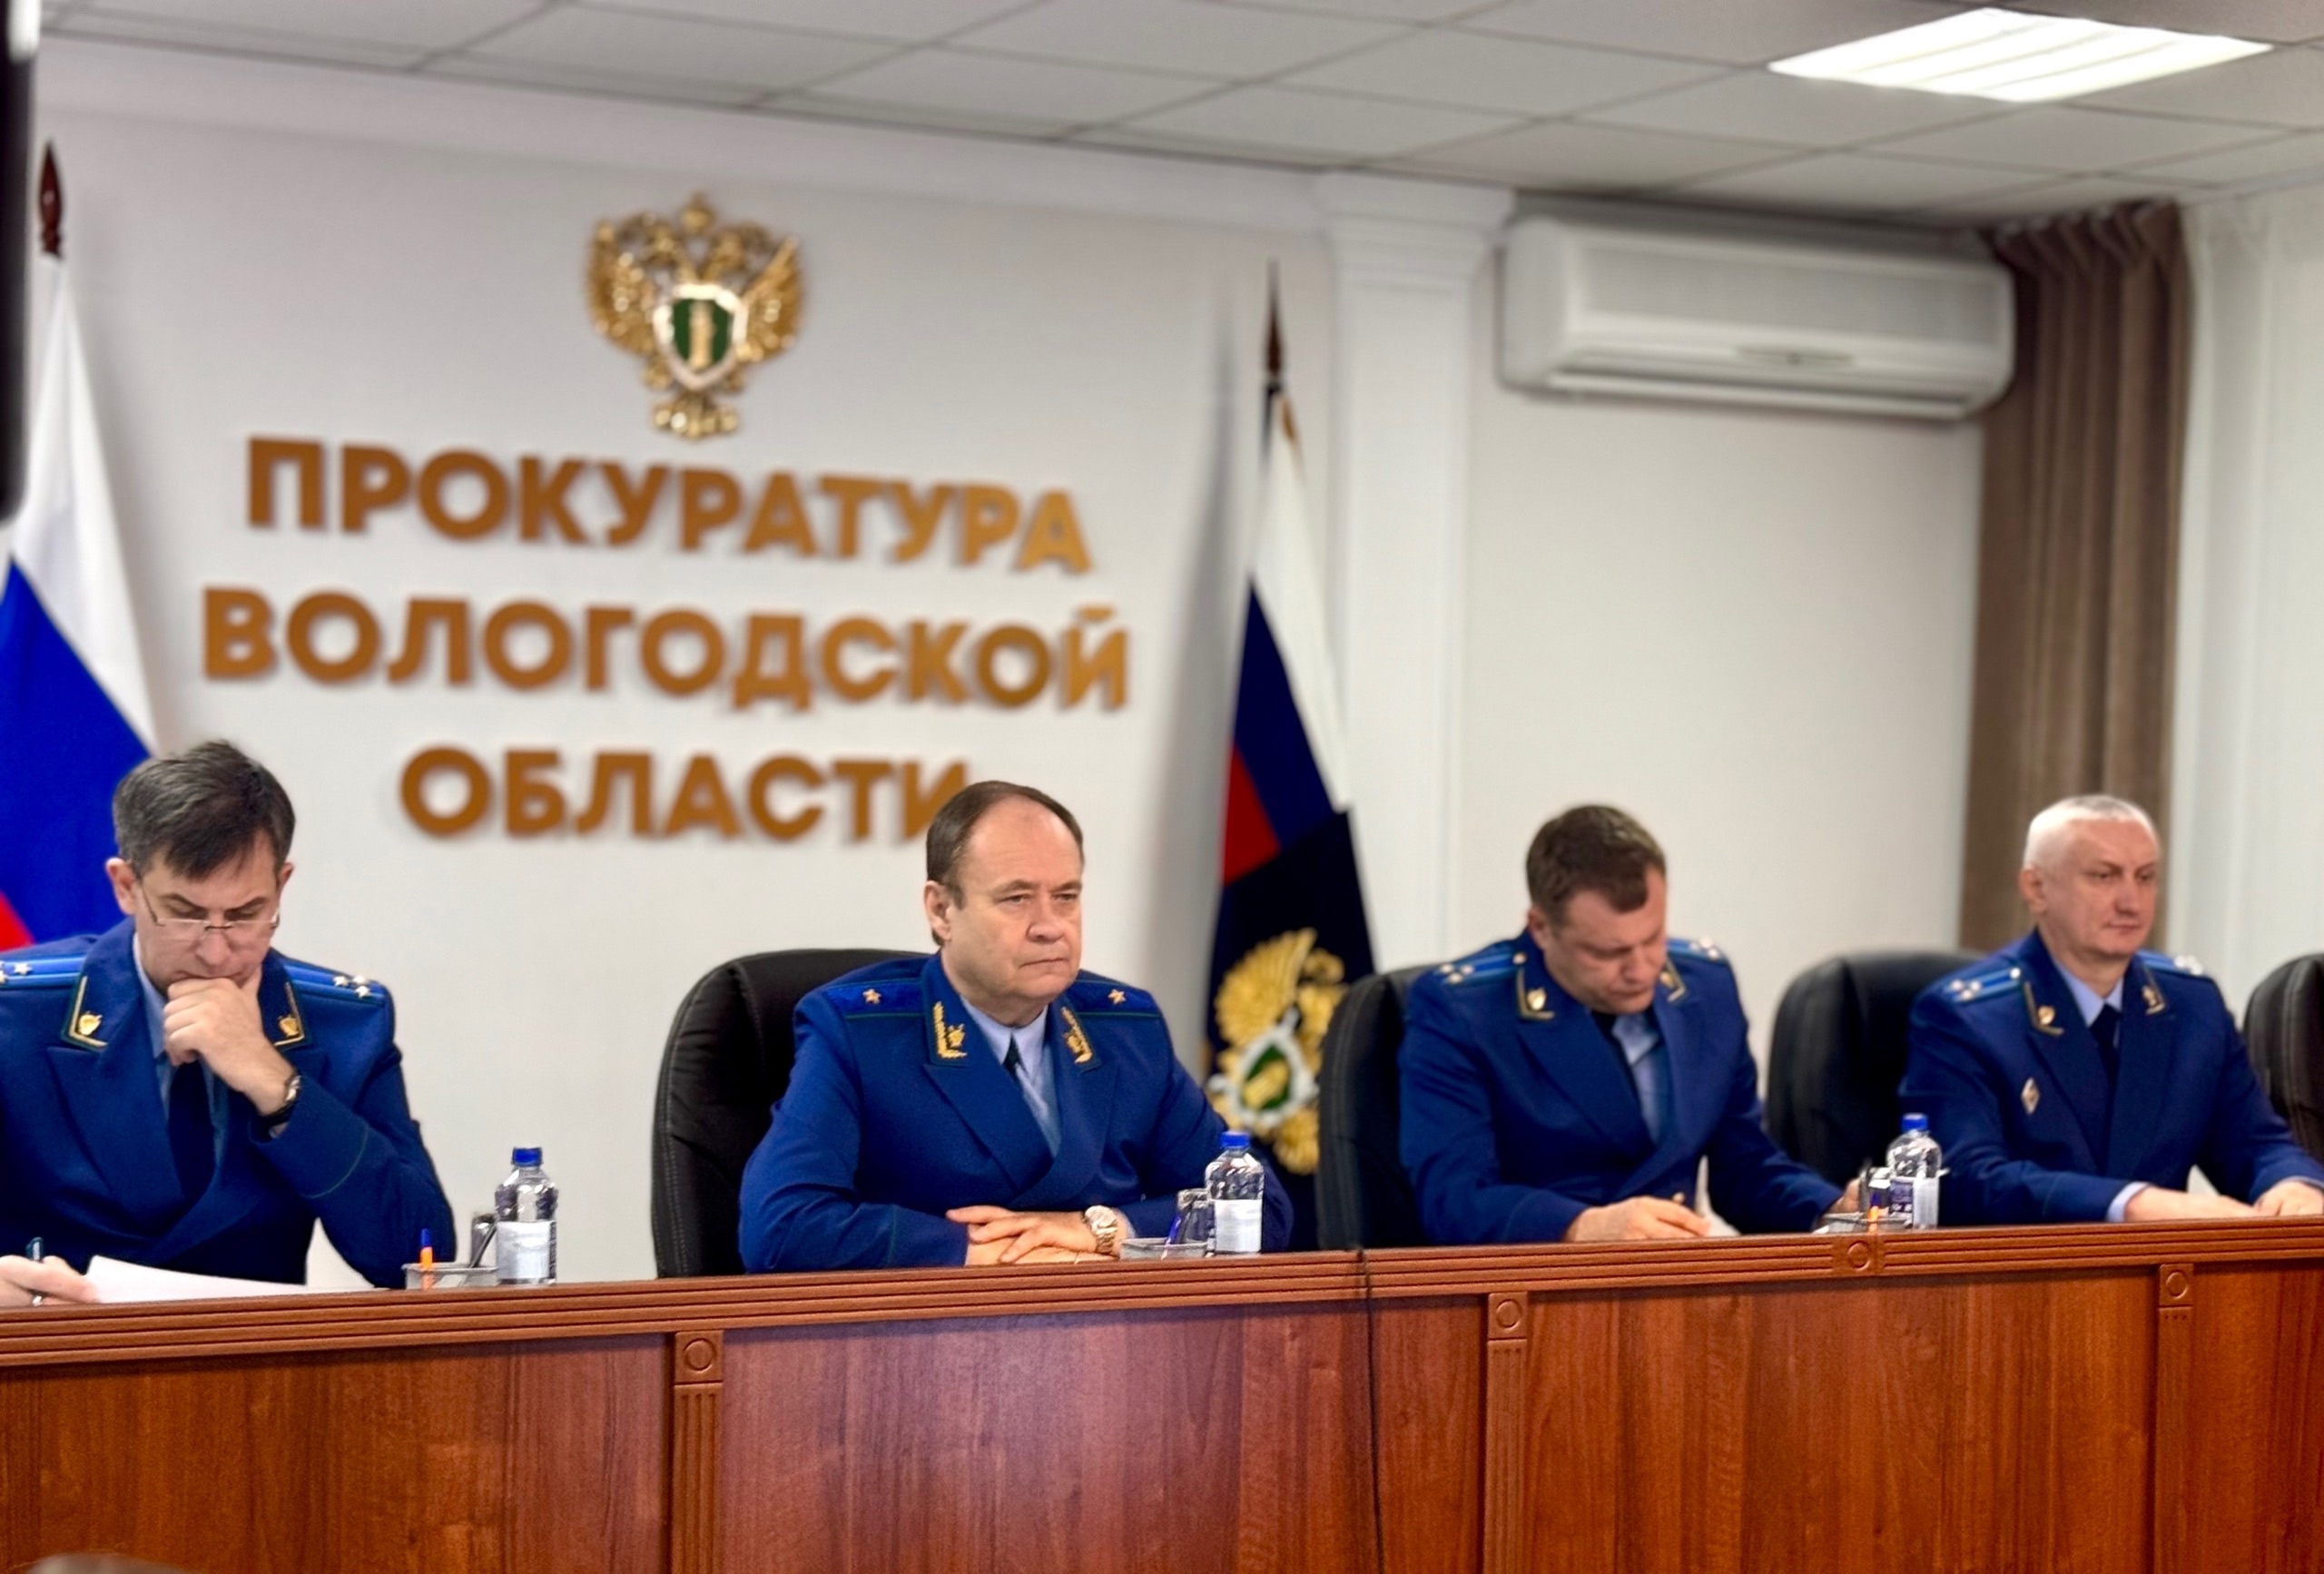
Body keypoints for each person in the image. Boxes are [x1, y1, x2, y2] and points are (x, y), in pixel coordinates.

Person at [740, 780, 1291, 1270]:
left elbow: (1259, 1209)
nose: (1049, 926)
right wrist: (977, 1251)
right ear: (941, 910)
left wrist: (1099, 1230)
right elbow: (781, 1227)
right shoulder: (859, 1033)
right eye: (1017, 898)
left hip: (1110, 1333)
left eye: (1066, 897)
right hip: (923, 1337)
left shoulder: (1127, 1029)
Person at [0, 742, 453, 1306]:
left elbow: (419, 1255)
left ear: (281, 886)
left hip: (250, 1358)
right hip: (58, 1352)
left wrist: (276, 1082)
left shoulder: (345, 1025)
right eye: (185, 914)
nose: (216, 953)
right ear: (126, 886)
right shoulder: (16, 1015)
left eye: (244, 915)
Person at [1401, 805, 1840, 1244]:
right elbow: (1454, 1198)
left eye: (1653, 938)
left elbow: (1744, 1168)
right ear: (1541, 928)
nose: (1641, 969)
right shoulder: (1465, 1011)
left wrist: (1834, 1211)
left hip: (1677, 1271)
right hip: (1547, 1278)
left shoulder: (1704, 988)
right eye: (1608, 953)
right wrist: (1580, 1227)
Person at [1903, 795, 2324, 1225]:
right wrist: (2131, 1203)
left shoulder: (2192, 1004)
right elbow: (1965, 1177)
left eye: (2145, 877)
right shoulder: (1967, 1017)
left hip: (2165, 1265)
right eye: (2104, 876)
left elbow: (2254, 1142)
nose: (2131, 902)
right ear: (2036, 888)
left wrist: (2291, 1184)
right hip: (2029, 1264)